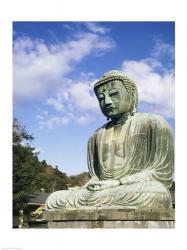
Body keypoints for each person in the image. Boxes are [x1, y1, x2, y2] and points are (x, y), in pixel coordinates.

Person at [45, 70, 174, 210]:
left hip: (134, 189)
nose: (107, 102)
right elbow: (96, 177)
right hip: (106, 191)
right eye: (101, 98)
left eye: (113, 94)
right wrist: (89, 186)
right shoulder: (95, 136)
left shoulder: (153, 123)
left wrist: (118, 182)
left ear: (132, 94)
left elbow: (161, 174)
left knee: (155, 193)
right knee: (55, 199)